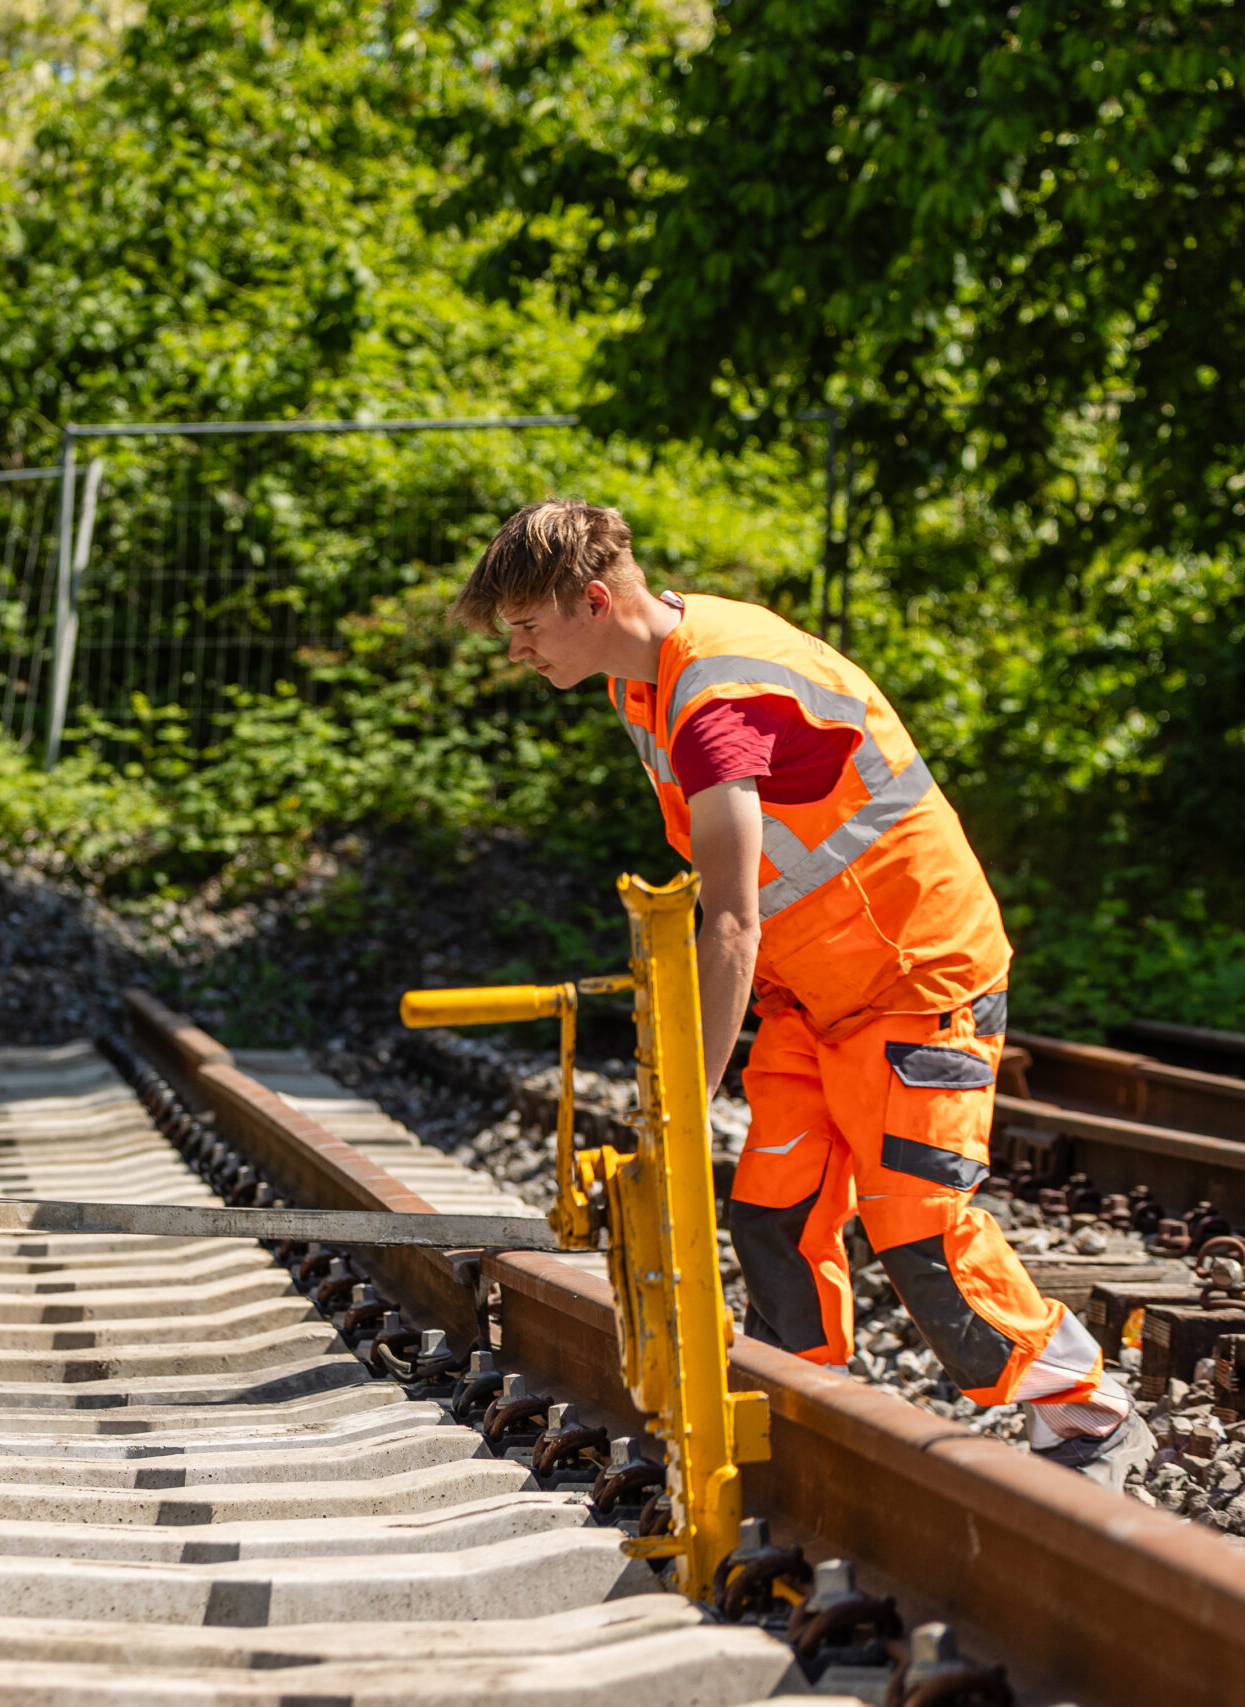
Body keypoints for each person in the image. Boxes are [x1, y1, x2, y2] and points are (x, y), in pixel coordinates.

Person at [450, 500, 1151, 1484]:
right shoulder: (640, 681)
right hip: (812, 990)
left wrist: (683, 1107)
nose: (516, 651)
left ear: (594, 600)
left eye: (525, 629)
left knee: (919, 1231)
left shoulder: (712, 702)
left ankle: (1089, 1416)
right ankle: (805, 1405)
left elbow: (728, 917)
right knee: (772, 1217)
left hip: (913, 977)